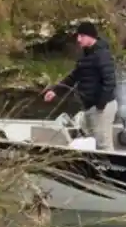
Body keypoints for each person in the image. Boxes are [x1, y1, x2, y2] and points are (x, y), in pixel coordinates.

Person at [42, 21, 117, 150]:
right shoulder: (86, 56)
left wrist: (100, 105)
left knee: (102, 144)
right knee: (91, 141)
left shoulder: (102, 55)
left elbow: (110, 82)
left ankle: (110, 169)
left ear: (90, 37)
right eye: (78, 36)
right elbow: (73, 77)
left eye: (81, 36)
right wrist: (55, 91)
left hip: (102, 108)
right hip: (90, 107)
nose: (78, 39)